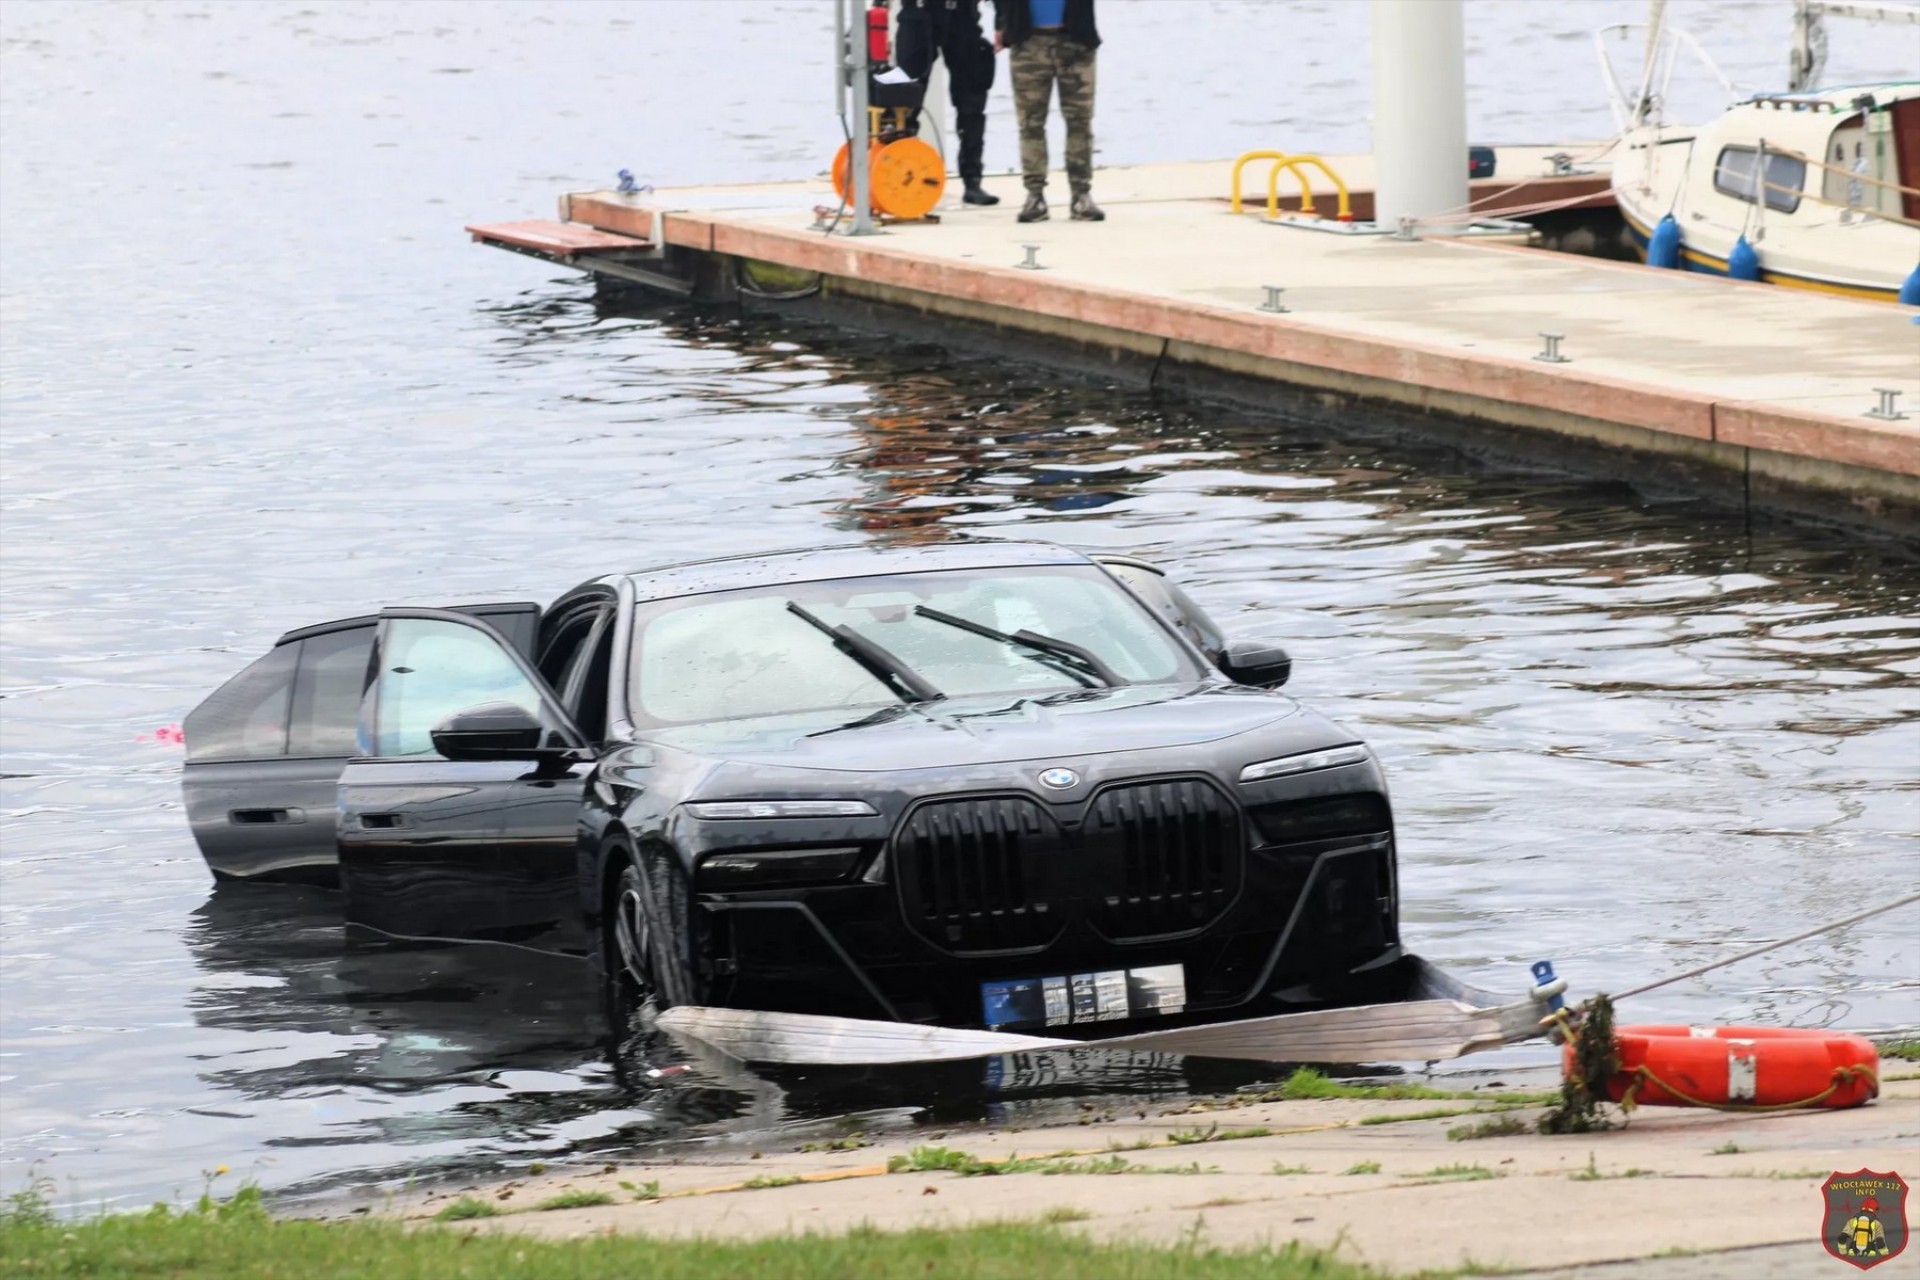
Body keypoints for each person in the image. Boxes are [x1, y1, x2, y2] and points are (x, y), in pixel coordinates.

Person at [993, 0, 1102, 222]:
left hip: (1076, 40)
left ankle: (1081, 193)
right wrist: (1001, 22)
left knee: (1080, 121)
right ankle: (1035, 195)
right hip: (1027, 41)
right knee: (1030, 123)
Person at [894, 0, 1000, 206]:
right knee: (905, 100)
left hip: (963, 15)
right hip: (918, 14)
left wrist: (1002, 20)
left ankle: (973, 181)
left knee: (972, 102)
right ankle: (899, 176)